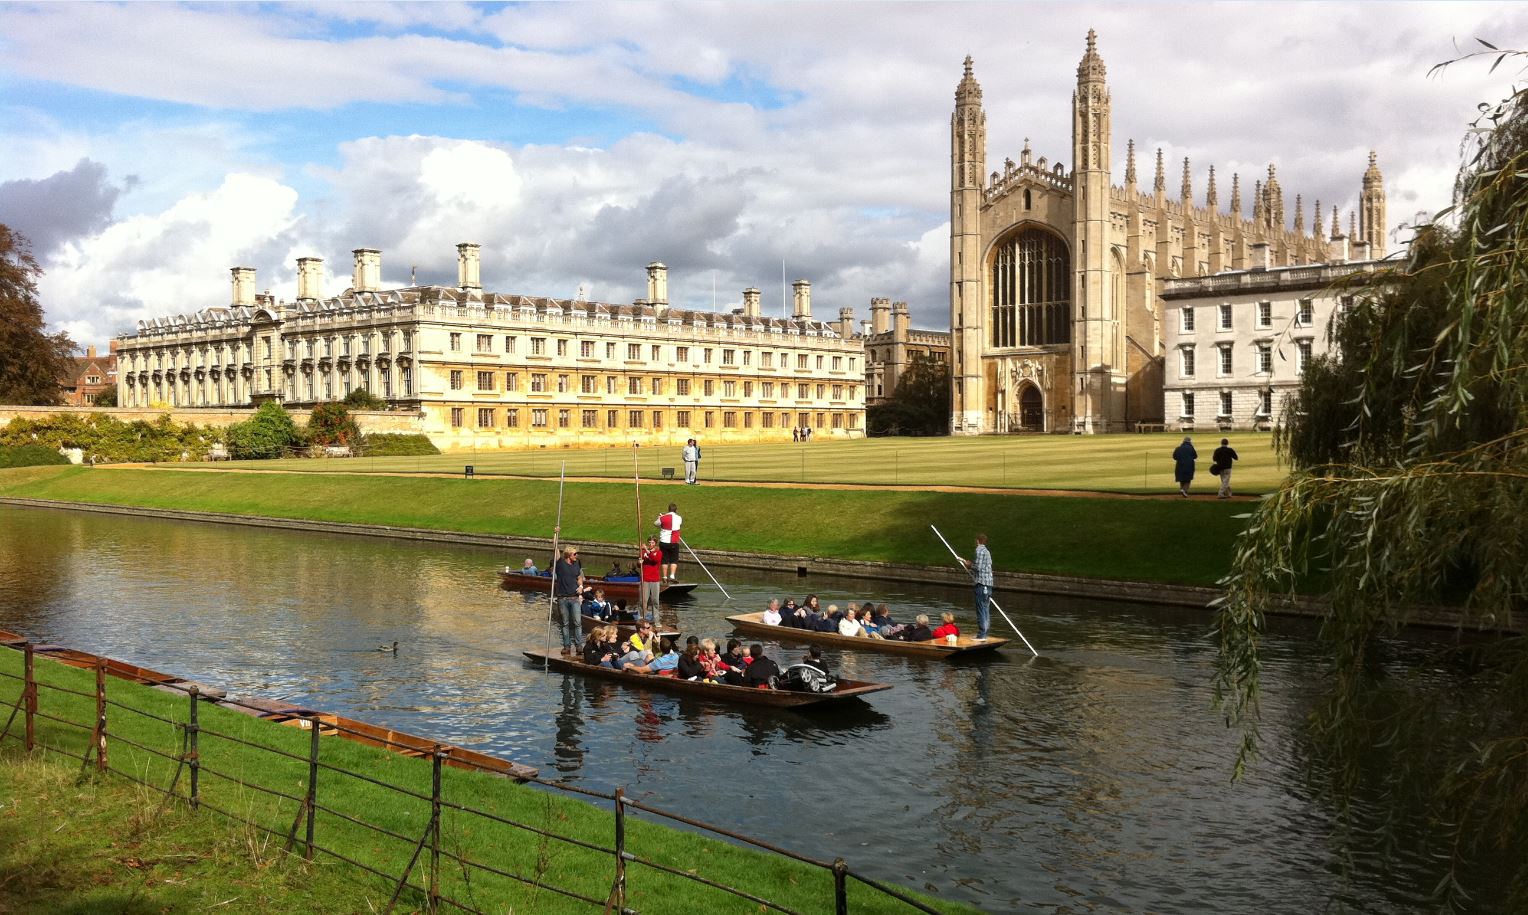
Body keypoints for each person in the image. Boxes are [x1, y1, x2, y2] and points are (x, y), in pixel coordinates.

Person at [959, 534, 994, 641]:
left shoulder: (979, 550)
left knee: (981, 610)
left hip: (981, 585)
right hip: (988, 585)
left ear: (977, 541)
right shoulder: (987, 552)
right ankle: (983, 634)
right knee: (986, 610)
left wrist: (968, 565)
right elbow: (984, 567)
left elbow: (977, 567)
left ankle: (982, 635)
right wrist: (969, 564)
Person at [552, 545, 584, 655]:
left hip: (574, 598)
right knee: (565, 623)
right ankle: (567, 646)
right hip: (563, 598)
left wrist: (581, 587)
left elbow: (579, 577)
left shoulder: (576, 564)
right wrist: (556, 534)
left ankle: (579, 645)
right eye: (575, 554)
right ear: (568, 555)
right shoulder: (560, 563)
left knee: (578, 623)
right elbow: (555, 548)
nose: (576, 556)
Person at [654, 503, 683, 582]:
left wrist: (659, 518)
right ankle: (672, 576)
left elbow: (656, 524)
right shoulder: (679, 518)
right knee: (674, 560)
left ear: (668, 509)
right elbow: (679, 524)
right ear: (676, 510)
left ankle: (664, 577)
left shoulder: (663, 517)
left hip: (664, 542)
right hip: (674, 542)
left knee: (664, 559)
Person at [638, 536, 662, 620]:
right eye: (649, 542)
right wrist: (639, 562)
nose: (650, 544)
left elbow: (655, 560)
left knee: (655, 601)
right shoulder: (643, 552)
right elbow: (639, 564)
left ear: (655, 543)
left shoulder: (658, 552)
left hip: (655, 580)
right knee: (643, 601)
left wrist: (647, 551)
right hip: (645, 579)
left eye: (652, 542)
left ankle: (656, 620)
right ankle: (642, 618)